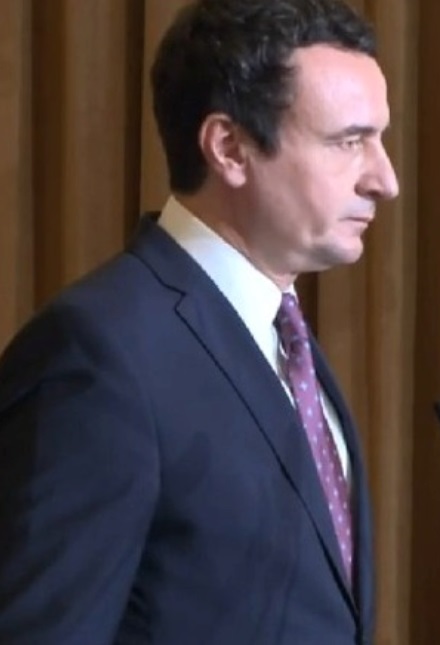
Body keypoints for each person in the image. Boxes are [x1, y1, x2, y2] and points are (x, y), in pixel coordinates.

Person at [0, 0, 398, 642]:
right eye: (349, 142)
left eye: (379, 140)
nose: (385, 180)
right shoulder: (99, 354)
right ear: (229, 148)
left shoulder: (286, 343)